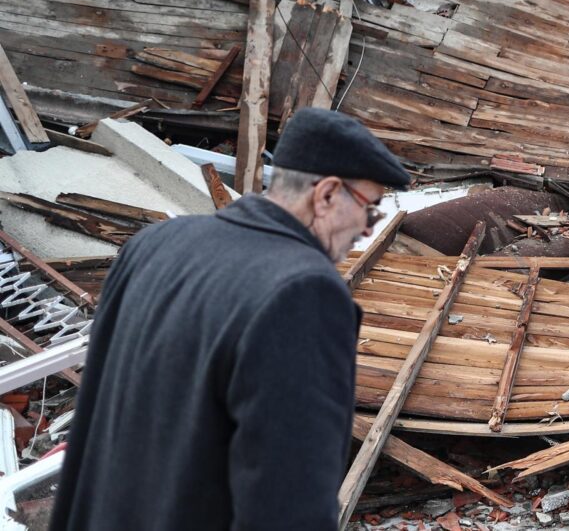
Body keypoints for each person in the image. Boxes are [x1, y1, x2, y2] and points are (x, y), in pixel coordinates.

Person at [50, 108, 412, 531]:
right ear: (327, 194)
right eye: (369, 209)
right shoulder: (303, 291)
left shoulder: (154, 244)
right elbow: (288, 504)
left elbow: (95, 422)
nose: (368, 230)